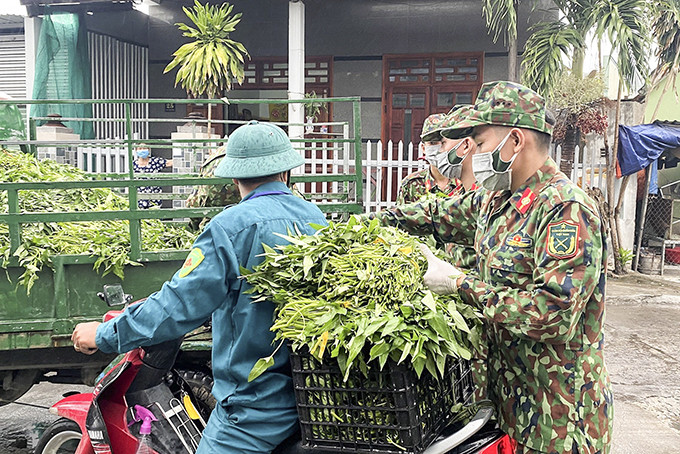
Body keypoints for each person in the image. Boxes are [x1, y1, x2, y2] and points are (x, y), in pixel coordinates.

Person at [370, 81, 612, 454]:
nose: (476, 154)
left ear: (515, 141)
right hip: (510, 405)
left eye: (481, 144)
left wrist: (461, 284)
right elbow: (438, 214)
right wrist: (379, 222)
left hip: (559, 421)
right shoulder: (497, 200)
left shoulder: (565, 210)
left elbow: (552, 313)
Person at [71, 120, 328, 453]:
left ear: (234, 177)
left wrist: (104, 334)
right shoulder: (315, 219)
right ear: (286, 172)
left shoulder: (230, 227)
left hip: (252, 410)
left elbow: (178, 304)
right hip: (308, 399)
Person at [185, 145, 240, 231]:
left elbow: (193, 204)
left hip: (211, 226)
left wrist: (195, 227)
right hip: (244, 223)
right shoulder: (257, 157)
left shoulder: (215, 155)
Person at [133, 144, 173, 209]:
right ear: (136, 150)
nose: (142, 150)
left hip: (154, 199)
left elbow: (169, 163)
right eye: (140, 148)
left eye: (145, 148)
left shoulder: (155, 162)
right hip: (139, 199)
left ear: (148, 150)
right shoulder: (133, 165)